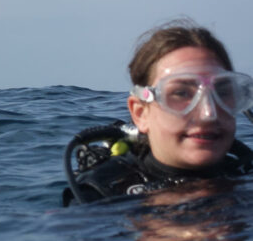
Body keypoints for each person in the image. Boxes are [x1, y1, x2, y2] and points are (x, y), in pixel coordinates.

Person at [63, 20, 253, 206]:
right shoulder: (98, 197)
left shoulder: (245, 172)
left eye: (222, 92)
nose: (208, 114)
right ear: (140, 114)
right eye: (181, 93)